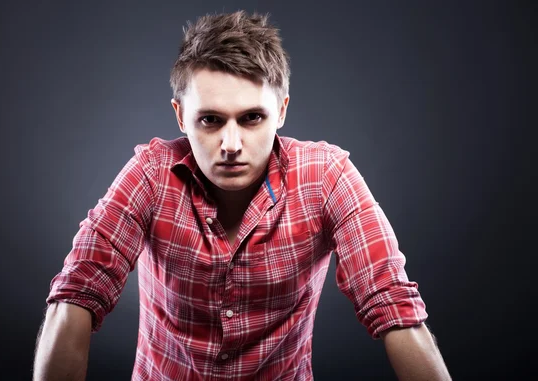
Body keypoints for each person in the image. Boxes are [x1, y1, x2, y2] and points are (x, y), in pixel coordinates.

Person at [33, 10, 451, 381]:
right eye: (211, 120)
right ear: (181, 116)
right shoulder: (152, 174)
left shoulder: (327, 176)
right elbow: (77, 293)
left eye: (252, 118)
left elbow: (392, 303)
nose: (231, 143)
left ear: (282, 111)